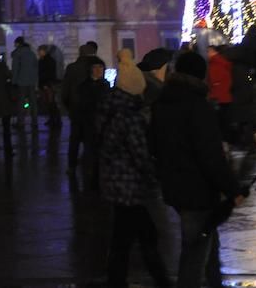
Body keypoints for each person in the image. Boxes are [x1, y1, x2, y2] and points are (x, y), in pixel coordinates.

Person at [150, 51, 241, 288]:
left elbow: (154, 146)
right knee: (195, 252)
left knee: (207, 241)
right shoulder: (198, 107)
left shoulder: (162, 104)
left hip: (174, 186)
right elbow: (211, 156)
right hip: (197, 190)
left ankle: (215, 283)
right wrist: (233, 188)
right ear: (200, 75)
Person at [98, 59, 172, 288]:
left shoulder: (109, 108)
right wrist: (155, 176)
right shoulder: (129, 116)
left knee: (123, 237)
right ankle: (160, 280)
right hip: (129, 186)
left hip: (115, 183)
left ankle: (116, 280)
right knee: (145, 235)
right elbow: (140, 154)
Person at [60, 41, 99, 172]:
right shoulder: (97, 66)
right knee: (91, 136)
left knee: (75, 137)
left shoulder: (72, 68)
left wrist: (67, 104)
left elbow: (65, 89)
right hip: (93, 106)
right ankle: (90, 163)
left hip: (76, 106)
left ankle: (71, 165)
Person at [74, 56, 110, 185]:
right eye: (96, 67)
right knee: (91, 151)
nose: (99, 70)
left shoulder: (106, 85)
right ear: (90, 69)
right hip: (89, 123)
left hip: (103, 124)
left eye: (101, 67)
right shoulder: (84, 87)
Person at [10, 36, 38, 129]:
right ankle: (34, 121)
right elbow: (35, 68)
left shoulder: (18, 53)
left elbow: (15, 69)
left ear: (18, 44)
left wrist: (13, 81)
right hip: (32, 82)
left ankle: (20, 122)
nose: (14, 45)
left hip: (21, 81)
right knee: (32, 102)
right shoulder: (32, 53)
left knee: (21, 102)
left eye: (15, 43)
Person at [38, 45, 61, 128]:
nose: (39, 53)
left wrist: (45, 84)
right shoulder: (46, 60)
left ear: (44, 51)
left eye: (40, 51)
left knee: (51, 103)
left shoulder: (46, 61)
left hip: (47, 84)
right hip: (47, 83)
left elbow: (47, 73)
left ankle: (56, 120)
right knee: (49, 103)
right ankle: (53, 119)